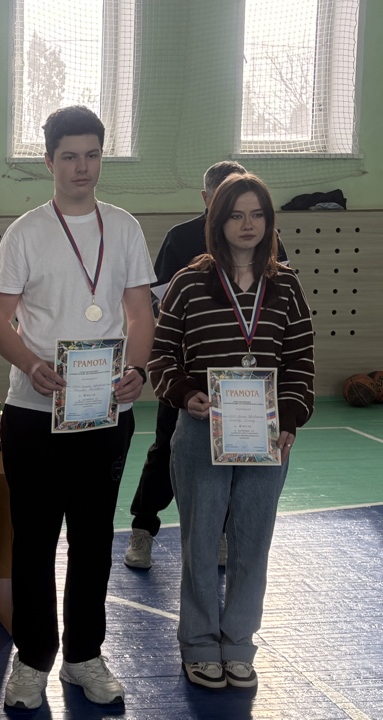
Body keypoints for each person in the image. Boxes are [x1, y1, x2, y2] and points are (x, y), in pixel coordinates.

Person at [0, 106, 155, 708]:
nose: (82, 167)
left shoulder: (125, 228)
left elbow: (140, 313)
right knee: (33, 540)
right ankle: (32, 660)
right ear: (48, 161)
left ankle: (84, 655)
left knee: (93, 539)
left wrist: (137, 370)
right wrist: (31, 364)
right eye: (69, 156)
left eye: (92, 155)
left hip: (104, 411)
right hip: (34, 413)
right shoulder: (26, 232)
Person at [148, 173, 314, 690]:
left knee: (251, 543)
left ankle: (239, 642)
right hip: (202, 431)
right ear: (217, 221)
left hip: (267, 435)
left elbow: (301, 361)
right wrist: (183, 394)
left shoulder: (286, 286)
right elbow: (160, 356)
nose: (248, 225)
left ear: (269, 222)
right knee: (200, 543)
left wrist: (290, 418)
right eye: (236, 215)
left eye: (257, 215)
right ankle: (199, 645)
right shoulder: (189, 282)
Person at [124, 161, 289, 569]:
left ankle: (221, 534)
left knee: (238, 459)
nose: (242, 217)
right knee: (165, 449)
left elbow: (278, 309)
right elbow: (157, 303)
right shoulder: (181, 238)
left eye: (250, 209)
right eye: (227, 202)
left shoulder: (269, 240)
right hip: (188, 377)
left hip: (248, 384)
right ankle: (143, 528)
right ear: (207, 198)